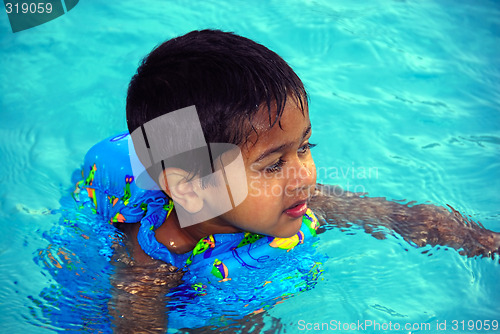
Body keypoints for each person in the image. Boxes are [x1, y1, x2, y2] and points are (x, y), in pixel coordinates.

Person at [74, 29, 500, 332]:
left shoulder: (302, 199)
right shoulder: (152, 269)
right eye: (273, 164)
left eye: (306, 147)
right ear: (190, 186)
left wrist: (485, 242)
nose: (304, 176)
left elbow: (406, 219)